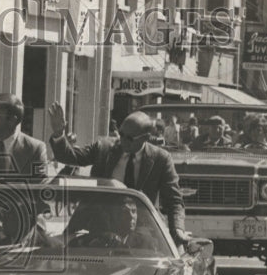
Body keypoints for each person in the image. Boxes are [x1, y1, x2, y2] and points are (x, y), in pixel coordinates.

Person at [47, 103, 189, 245]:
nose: (122, 140)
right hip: (98, 227)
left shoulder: (161, 159)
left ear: (145, 138)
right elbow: (71, 157)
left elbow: (174, 201)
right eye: (121, 134)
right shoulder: (104, 148)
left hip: (141, 231)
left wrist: (178, 230)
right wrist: (59, 135)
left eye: (129, 138)